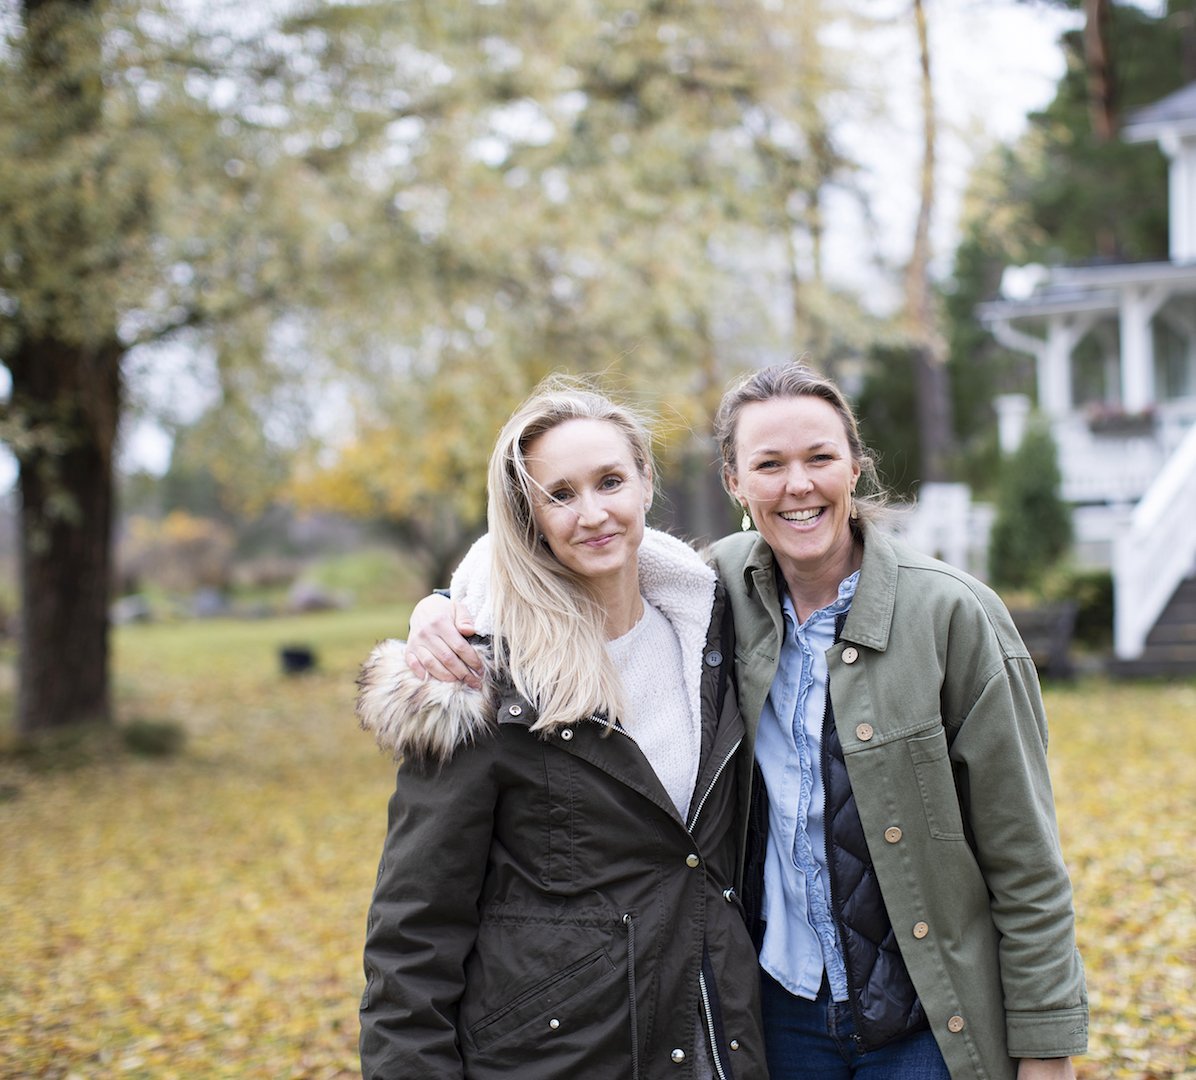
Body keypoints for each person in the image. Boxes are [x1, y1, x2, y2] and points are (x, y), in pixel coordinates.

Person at [403, 361, 1089, 1080]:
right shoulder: (715, 593)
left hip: (924, 1021)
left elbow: (1026, 862)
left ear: (855, 466)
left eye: (820, 458)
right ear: (734, 481)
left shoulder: (952, 617)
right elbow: (569, 543)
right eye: (769, 464)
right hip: (777, 1019)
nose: (798, 485)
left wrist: (1046, 1051)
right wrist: (444, 606)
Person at [355, 380, 768, 1079]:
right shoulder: (484, 681)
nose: (593, 513)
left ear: (645, 482)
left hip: (715, 1038)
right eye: (561, 495)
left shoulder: (715, 637)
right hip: (560, 1057)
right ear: (530, 516)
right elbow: (413, 932)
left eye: (610, 481)